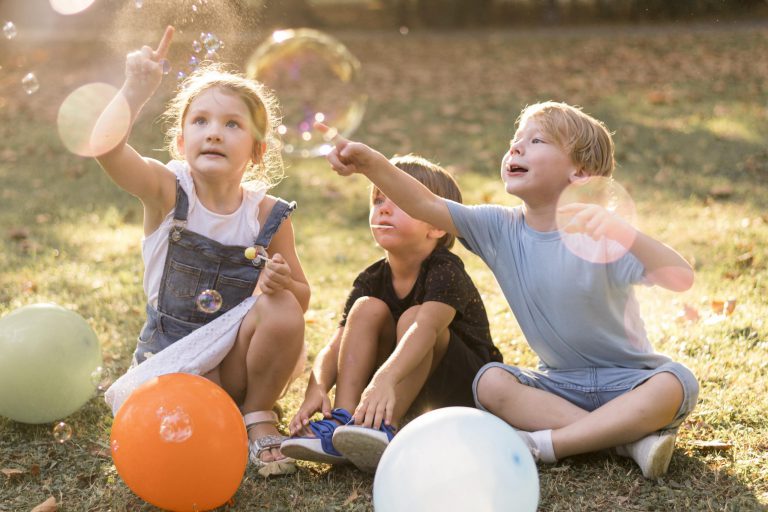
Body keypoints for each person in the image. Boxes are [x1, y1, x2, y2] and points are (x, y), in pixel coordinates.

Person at [316, 101, 699, 480]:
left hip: (629, 382)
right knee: (490, 382)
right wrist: (371, 164)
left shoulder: (605, 235)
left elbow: (681, 277)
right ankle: (628, 442)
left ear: (580, 172)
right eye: (515, 140)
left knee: (676, 382)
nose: (516, 147)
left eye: (537, 141)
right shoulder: (499, 228)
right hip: (560, 387)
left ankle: (546, 445)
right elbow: (424, 202)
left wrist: (624, 233)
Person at [95, 27, 309, 476]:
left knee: (283, 307)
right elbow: (108, 151)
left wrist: (280, 283)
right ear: (180, 142)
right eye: (202, 121)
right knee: (178, 434)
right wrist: (135, 90)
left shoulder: (268, 215)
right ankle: (216, 411)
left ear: (256, 152)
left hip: (234, 361)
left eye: (233, 125)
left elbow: (299, 302)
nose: (215, 133)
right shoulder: (167, 192)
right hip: (173, 358)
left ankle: (257, 414)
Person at [281, 155, 502, 473]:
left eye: (398, 200)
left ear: (437, 224)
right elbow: (337, 343)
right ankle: (345, 423)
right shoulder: (372, 278)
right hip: (392, 387)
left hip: (459, 388)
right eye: (378, 200)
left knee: (414, 317)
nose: (383, 208)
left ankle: (383, 428)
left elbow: (426, 329)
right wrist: (316, 388)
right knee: (366, 308)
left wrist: (383, 379)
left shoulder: (446, 270)